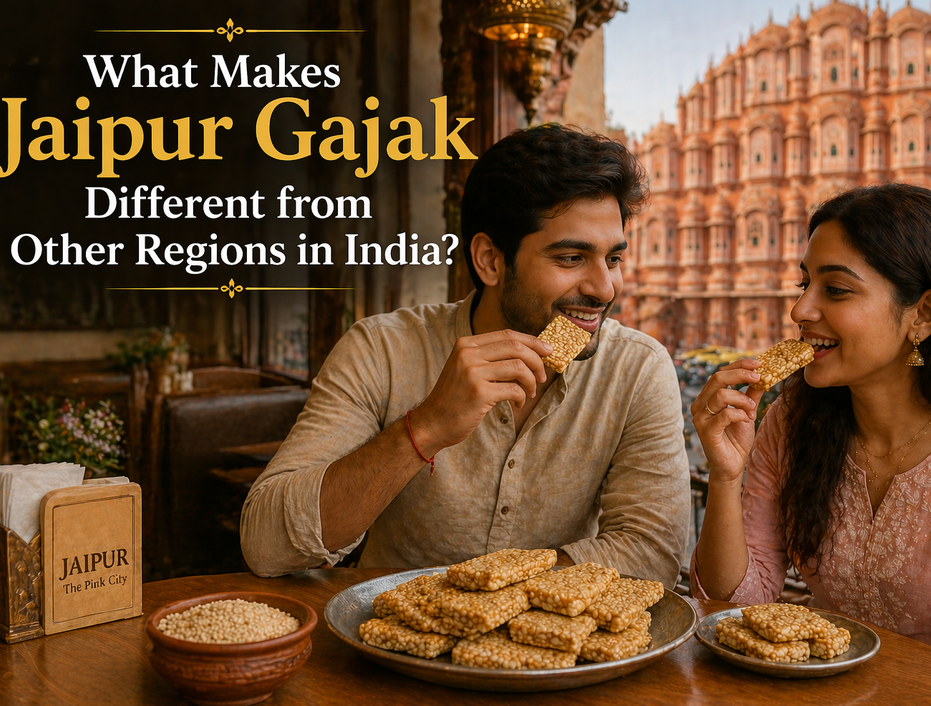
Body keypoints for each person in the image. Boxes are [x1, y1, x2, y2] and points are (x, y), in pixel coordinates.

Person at [241, 124, 690, 585]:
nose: (604, 289)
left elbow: (651, 551)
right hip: (388, 642)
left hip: (561, 654)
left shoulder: (638, 370)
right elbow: (266, 544)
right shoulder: (382, 349)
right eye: (571, 258)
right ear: (490, 260)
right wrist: (427, 426)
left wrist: (483, 587)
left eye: (613, 259)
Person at [689, 184, 931, 704]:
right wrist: (726, 474)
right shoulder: (791, 420)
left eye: (837, 290)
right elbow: (737, 605)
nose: (801, 309)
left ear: (923, 314)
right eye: (804, 284)